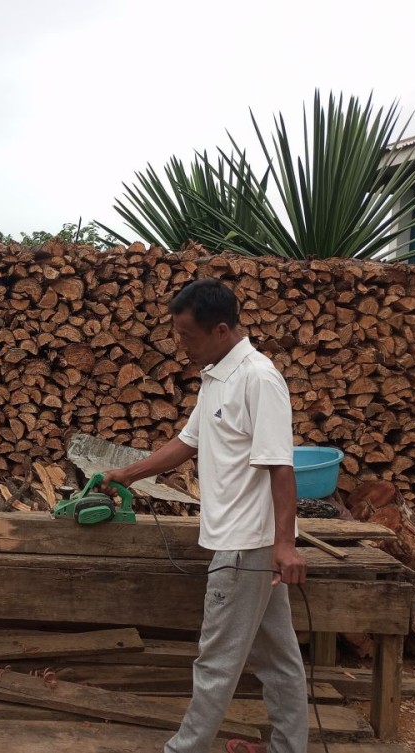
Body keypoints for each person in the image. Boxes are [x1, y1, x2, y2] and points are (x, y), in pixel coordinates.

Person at [100, 278, 308, 753]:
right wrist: (128, 473)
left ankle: (184, 749)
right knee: (279, 658)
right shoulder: (217, 377)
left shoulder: (258, 377)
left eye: (188, 337)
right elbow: (185, 443)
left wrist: (285, 544)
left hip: (245, 546)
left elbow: (280, 464)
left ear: (219, 330)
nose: (182, 346)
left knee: (215, 659)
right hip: (241, 542)